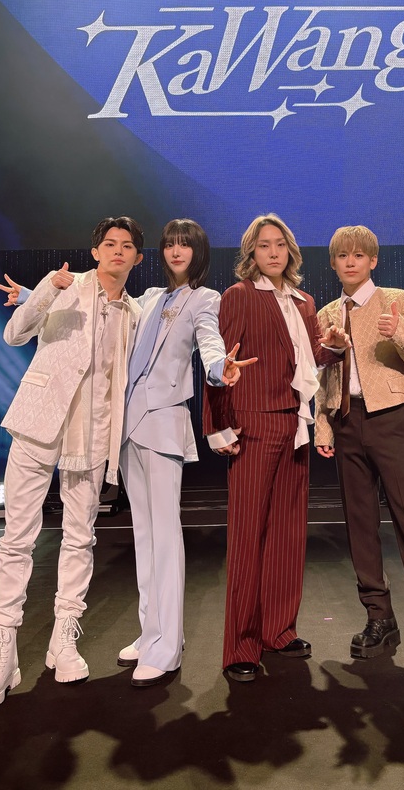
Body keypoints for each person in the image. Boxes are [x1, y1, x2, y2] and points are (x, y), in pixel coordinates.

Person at [0, 217, 145, 709]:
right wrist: (43, 291)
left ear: (137, 258)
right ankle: (2, 655)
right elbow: (14, 334)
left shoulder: (134, 312)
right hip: (37, 420)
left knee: (80, 537)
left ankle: (63, 638)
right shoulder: (64, 284)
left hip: (92, 431)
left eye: (127, 246)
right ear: (95, 251)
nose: (118, 251)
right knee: (16, 539)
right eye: (109, 243)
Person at [203, 214, 349, 682]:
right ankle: (241, 646)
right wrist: (218, 426)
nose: (272, 252)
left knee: (288, 533)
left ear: (290, 252)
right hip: (254, 423)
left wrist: (335, 348)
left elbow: (308, 359)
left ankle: (279, 630)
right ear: (251, 252)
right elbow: (221, 364)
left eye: (280, 244)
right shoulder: (239, 296)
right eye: (264, 245)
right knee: (248, 535)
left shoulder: (304, 302)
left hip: (295, 424)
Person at [115, 219, 256, 687]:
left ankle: (167, 647)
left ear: (198, 252)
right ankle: (149, 631)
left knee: (164, 535)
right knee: (143, 535)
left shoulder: (204, 299)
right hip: (128, 423)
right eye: (170, 244)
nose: (176, 251)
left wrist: (220, 369)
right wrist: (35, 295)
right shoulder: (149, 298)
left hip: (163, 422)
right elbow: (105, 306)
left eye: (185, 245)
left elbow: (210, 343)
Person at [314, 226, 404, 688]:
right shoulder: (328, 312)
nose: (351, 262)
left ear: (373, 260)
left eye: (359, 255)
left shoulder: (398, 299)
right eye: (343, 256)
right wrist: (324, 426)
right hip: (347, 423)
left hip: (392, 421)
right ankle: (379, 617)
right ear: (333, 263)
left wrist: (400, 333)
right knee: (360, 526)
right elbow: (324, 376)